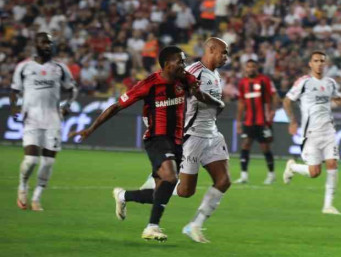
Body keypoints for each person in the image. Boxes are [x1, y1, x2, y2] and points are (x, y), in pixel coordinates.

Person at [72, 46, 218, 241]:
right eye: (180, 61)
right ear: (167, 64)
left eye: (184, 61)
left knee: (160, 193)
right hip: (156, 139)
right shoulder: (149, 84)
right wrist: (91, 129)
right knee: (171, 178)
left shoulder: (185, 79)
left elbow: (198, 94)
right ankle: (152, 227)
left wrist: (211, 100)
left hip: (177, 141)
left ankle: (123, 196)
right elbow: (116, 107)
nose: (184, 65)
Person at [282, 52, 341, 215]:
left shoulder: (330, 83)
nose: (319, 64)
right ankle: (292, 167)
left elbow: (338, 100)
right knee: (314, 172)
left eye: (322, 61)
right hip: (311, 133)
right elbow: (287, 101)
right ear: (310, 64)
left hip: (328, 131)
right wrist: (292, 121)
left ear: (325, 64)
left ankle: (328, 206)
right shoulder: (304, 82)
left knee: (332, 164)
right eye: (316, 61)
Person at [11, 32, 78, 211]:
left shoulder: (60, 68)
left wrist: (68, 105)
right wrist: (14, 108)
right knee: (31, 160)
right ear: (36, 44)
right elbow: (14, 90)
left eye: (50, 43)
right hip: (31, 119)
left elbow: (72, 90)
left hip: (53, 119)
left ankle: (36, 198)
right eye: (44, 42)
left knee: (48, 162)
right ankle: (22, 185)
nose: (48, 45)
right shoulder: (24, 67)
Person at [177, 38, 232, 242]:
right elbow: (178, 95)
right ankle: (156, 183)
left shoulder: (215, 74)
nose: (226, 57)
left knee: (224, 181)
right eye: (223, 52)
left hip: (212, 134)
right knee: (185, 192)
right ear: (211, 49)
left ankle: (194, 225)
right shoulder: (193, 71)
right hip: (193, 136)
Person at [235, 60, 279, 184]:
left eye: (253, 66)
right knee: (245, 145)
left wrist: (273, 111)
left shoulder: (265, 80)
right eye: (248, 66)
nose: (251, 69)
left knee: (265, 147)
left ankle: (271, 175)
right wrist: (238, 121)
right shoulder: (242, 83)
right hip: (249, 121)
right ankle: (244, 176)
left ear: (257, 68)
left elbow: (275, 96)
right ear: (245, 68)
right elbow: (241, 103)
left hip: (263, 120)